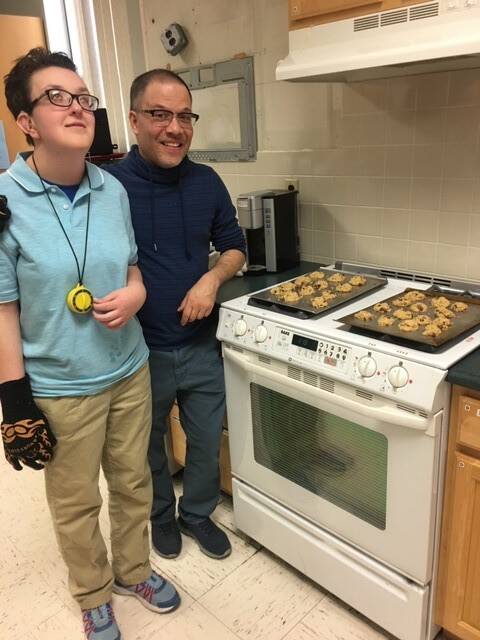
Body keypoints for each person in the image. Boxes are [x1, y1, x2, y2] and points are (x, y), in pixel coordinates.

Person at [0, 48, 180, 640]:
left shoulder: (112, 189)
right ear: (26, 122)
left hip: (129, 368)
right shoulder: (6, 204)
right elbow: (3, 309)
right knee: (76, 505)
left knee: (135, 484)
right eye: (57, 97)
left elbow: (130, 269)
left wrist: (134, 294)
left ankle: (133, 571)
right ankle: (93, 592)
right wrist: (15, 397)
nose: (77, 108)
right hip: (62, 387)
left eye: (83, 97)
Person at [106, 69, 246, 561]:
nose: (175, 128)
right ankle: (161, 516)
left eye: (184, 116)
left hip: (200, 344)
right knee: (148, 446)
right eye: (160, 114)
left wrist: (211, 279)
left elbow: (234, 247)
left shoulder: (206, 181)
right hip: (138, 352)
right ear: (134, 120)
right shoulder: (108, 188)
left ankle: (198, 513)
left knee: (207, 441)